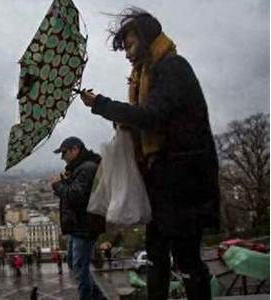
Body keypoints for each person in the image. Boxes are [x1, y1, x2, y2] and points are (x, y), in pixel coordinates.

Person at [79, 7, 220, 300]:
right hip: (165, 179)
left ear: (146, 38)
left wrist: (102, 105)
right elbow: (149, 117)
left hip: (183, 181)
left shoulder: (172, 67)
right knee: (157, 255)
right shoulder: (149, 73)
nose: (128, 54)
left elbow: (153, 115)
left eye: (130, 45)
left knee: (184, 258)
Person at [50, 137, 104, 300]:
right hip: (78, 225)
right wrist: (66, 181)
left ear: (75, 149)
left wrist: (58, 185)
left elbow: (76, 196)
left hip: (84, 226)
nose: (62, 157)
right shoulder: (81, 167)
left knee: (80, 269)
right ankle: (99, 298)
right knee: (75, 264)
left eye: (64, 152)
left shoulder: (87, 168)